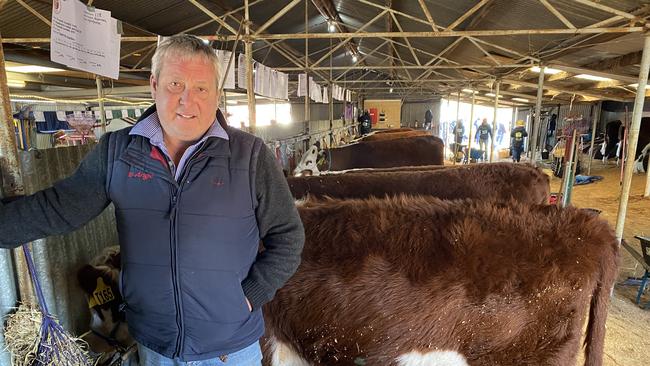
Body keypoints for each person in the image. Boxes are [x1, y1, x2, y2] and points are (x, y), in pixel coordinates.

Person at [0, 35, 305, 365]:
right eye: (176, 84)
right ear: (154, 85)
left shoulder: (250, 156)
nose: (187, 101)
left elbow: (288, 238)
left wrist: (248, 296)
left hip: (229, 350)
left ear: (216, 93)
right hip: (154, 345)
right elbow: (58, 209)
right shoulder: (118, 152)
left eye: (201, 88)